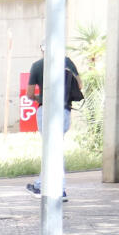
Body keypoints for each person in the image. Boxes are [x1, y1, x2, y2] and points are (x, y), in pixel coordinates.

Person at [25, 44, 81, 197]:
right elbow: (79, 85)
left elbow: (29, 94)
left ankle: (59, 189)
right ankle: (40, 185)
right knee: (54, 149)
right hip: (64, 110)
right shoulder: (67, 63)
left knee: (52, 150)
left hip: (46, 111)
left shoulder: (37, 66)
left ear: (43, 50)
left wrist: (40, 97)